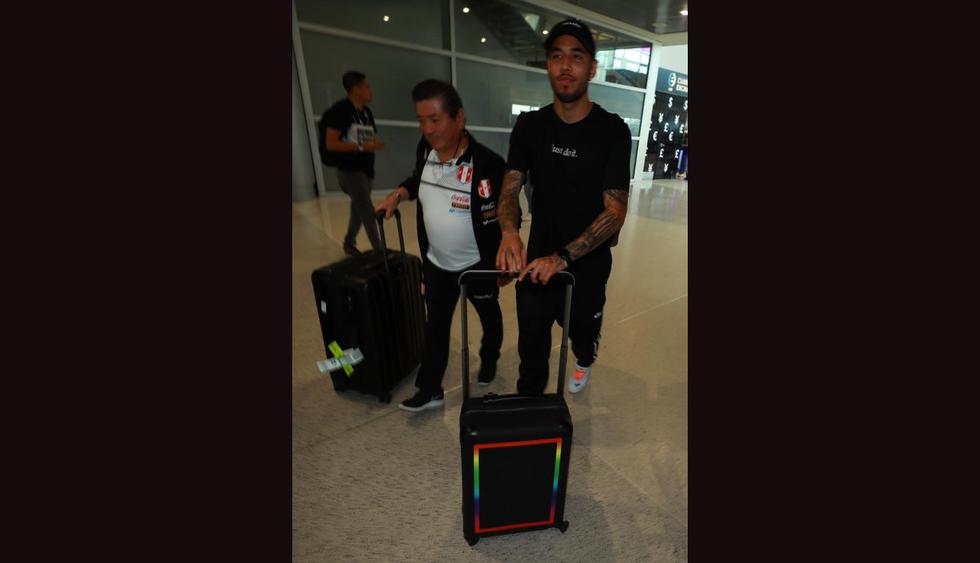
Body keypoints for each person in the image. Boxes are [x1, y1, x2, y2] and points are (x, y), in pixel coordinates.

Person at [496, 18, 631, 395]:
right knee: (531, 353)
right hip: (536, 261)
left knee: (582, 336)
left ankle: (586, 356)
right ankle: (530, 414)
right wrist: (508, 232)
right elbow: (511, 186)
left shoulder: (613, 131)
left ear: (592, 68)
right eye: (556, 56)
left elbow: (615, 212)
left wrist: (563, 258)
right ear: (547, 65)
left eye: (576, 55)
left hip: (585, 266)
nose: (565, 65)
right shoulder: (529, 125)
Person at [376, 79, 511, 413]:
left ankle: (490, 357)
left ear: (459, 118)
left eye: (434, 119)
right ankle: (430, 389)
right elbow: (415, 178)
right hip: (437, 263)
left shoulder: (489, 165)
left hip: (477, 264)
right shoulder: (425, 151)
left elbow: (509, 211)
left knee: (489, 316)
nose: (427, 129)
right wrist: (399, 193)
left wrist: (505, 256)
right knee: (434, 328)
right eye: (421, 120)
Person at [318, 70, 385, 256]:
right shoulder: (340, 111)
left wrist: (372, 146)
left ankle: (349, 242)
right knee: (366, 209)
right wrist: (363, 146)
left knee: (358, 209)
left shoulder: (366, 112)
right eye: (366, 87)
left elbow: (367, 139)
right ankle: (380, 251)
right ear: (355, 90)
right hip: (350, 171)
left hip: (366, 169)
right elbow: (331, 144)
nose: (370, 90)